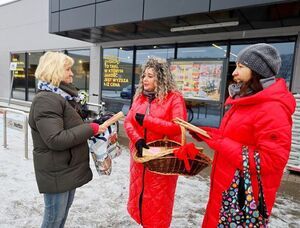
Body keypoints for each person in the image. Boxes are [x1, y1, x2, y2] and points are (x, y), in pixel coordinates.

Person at [190, 43, 296, 227]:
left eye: (241, 66)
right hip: (227, 189)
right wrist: (207, 134)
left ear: (256, 71)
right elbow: (235, 137)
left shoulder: (272, 108)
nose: (234, 72)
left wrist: (220, 142)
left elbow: (271, 160)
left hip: (244, 199)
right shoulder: (245, 100)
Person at [28, 51, 106, 228]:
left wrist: (92, 122)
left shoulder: (62, 97)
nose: (72, 73)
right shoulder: (46, 100)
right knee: (54, 220)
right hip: (57, 170)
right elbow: (55, 139)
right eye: (68, 69)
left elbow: (70, 126)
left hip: (67, 167)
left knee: (61, 217)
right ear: (54, 70)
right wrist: (90, 129)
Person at [124, 57, 187, 227]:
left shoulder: (174, 98)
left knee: (158, 208)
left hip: (162, 161)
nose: (145, 79)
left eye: (150, 76)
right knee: (141, 201)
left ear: (161, 77)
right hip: (140, 159)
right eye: (144, 75)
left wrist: (147, 121)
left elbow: (178, 127)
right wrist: (137, 139)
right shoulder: (140, 98)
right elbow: (128, 121)